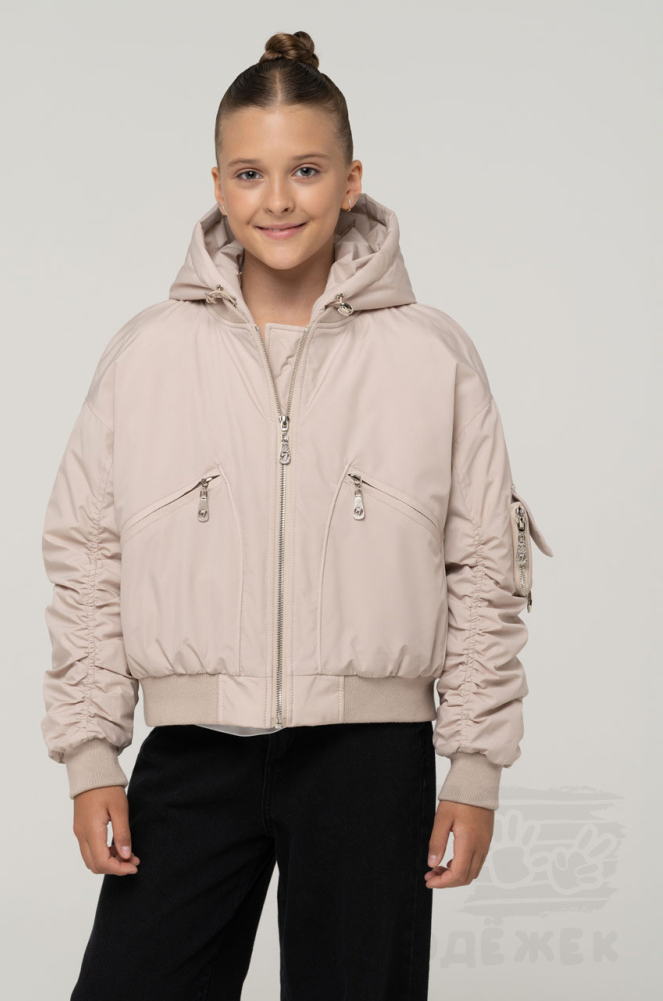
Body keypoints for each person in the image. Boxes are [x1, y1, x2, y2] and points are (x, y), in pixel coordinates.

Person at [40, 29, 554, 1001]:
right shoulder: (148, 353)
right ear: (218, 184)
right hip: (193, 752)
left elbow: (486, 567)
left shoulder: (431, 355)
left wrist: (475, 766)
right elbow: (90, 557)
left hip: (370, 761)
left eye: (306, 170)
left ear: (352, 180)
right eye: (250, 173)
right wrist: (91, 752)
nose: (277, 199)